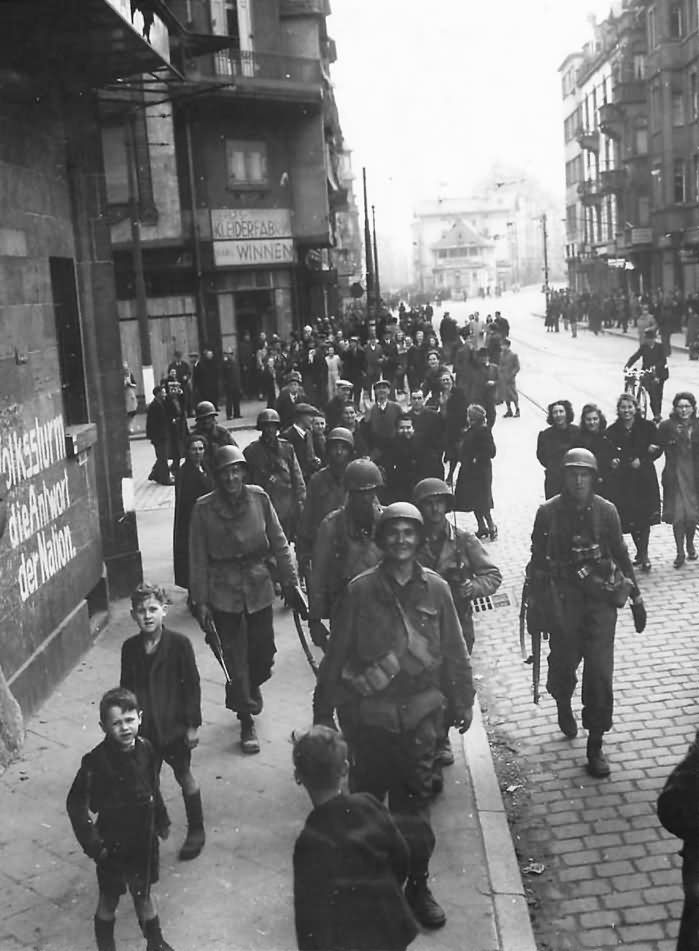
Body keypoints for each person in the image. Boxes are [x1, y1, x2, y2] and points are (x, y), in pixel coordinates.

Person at [313, 503, 475, 929]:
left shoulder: (436, 590)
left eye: (409, 532)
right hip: (369, 718)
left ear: (419, 539)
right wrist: (323, 710)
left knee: (415, 812)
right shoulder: (360, 590)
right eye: (393, 532)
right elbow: (337, 653)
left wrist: (463, 700)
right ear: (382, 539)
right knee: (365, 809)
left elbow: (455, 651)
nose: (401, 539)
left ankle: (417, 886)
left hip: (421, 716)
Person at [526, 449, 647, 778]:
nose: (579, 480)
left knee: (599, 673)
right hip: (562, 600)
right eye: (572, 474)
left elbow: (622, 556)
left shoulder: (606, 511)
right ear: (563, 477)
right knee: (563, 665)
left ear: (594, 478)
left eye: (585, 474)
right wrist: (534, 606)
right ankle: (563, 702)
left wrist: (636, 598)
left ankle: (595, 743)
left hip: (599, 601)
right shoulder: (548, 512)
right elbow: (537, 558)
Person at [188, 445, 303, 754]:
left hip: (257, 583)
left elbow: (279, 543)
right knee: (234, 658)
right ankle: (245, 718)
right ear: (217, 477)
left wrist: (291, 582)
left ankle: (251, 687)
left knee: (263, 652)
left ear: (244, 472)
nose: (231, 478)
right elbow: (197, 557)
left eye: (236, 470)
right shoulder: (203, 509)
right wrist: (200, 601)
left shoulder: (260, 498)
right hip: (222, 588)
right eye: (225, 472)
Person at [66, 687, 173, 951]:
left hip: (143, 840)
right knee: (109, 899)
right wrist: (94, 845)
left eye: (129, 720)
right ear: (103, 726)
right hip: (112, 845)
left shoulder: (147, 749)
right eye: (116, 723)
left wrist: (161, 817)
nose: (125, 728)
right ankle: (106, 947)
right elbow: (76, 804)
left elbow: (152, 786)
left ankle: (155, 943)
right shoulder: (96, 762)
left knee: (144, 893)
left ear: (140, 718)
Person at [292, 726, 418, 951]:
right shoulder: (369, 804)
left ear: (298, 777)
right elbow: (402, 856)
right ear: (345, 769)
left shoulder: (308, 842)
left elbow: (308, 913)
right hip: (390, 924)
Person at [414, 478, 501, 788]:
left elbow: (492, 575)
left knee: (452, 681)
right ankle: (436, 741)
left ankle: (444, 735)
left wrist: (470, 588)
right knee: (428, 682)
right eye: (428, 503)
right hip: (421, 627)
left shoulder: (463, 540)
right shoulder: (411, 540)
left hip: (458, 626)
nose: (435, 508)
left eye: (439, 502)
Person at [120, 584, 204, 863]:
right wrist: (126, 726)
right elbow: (126, 690)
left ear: (164, 611)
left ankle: (196, 829)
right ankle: (158, 821)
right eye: (141, 611)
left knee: (184, 775)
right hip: (145, 731)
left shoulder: (179, 645)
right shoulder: (130, 649)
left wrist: (192, 725)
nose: (148, 616)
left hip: (174, 727)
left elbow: (192, 686)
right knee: (147, 781)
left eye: (153, 609)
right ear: (133, 615)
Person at [307, 458, 384, 656]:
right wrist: (315, 618)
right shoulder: (331, 526)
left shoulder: (386, 521)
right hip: (345, 606)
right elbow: (318, 574)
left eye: (370, 492)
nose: (366, 499)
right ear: (349, 493)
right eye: (359, 493)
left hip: (383, 605)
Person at [606, 393, 661, 571]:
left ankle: (644, 554)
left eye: (630, 407)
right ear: (619, 410)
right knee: (631, 518)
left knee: (644, 517)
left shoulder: (647, 426)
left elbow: (657, 448)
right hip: (624, 481)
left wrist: (644, 459)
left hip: (644, 478)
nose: (627, 411)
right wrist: (613, 460)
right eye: (623, 407)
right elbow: (608, 451)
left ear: (636, 408)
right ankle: (639, 551)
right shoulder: (612, 431)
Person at [296, 427, 354, 580]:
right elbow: (307, 519)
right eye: (335, 448)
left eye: (343, 448)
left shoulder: (357, 476)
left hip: (353, 547)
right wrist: (303, 554)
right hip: (324, 546)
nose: (339, 452)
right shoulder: (317, 480)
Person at [244, 409, 306, 546]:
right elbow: (247, 481)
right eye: (266, 426)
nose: (269, 430)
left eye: (272, 426)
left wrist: (301, 500)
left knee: (286, 541)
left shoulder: (287, 448)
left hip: (287, 503)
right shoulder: (251, 452)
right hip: (263, 503)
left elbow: (297, 476)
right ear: (261, 428)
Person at [657, 392, 699, 568]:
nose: (683, 410)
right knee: (678, 516)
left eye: (687, 406)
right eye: (680, 406)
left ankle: (690, 543)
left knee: (692, 515)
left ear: (693, 408)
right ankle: (680, 551)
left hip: (694, 475)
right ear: (674, 408)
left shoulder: (698, 425)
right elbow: (656, 446)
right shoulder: (666, 426)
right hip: (674, 475)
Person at [173, 433, 213, 594]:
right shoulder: (184, 473)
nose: (197, 453)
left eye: (201, 449)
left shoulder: (207, 467)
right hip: (192, 522)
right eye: (194, 449)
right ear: (188, 452)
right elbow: (185, 501)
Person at [451, 403, 497, 540]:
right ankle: (481, 526)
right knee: (473, 500)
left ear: (473, 417)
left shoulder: (483, 430)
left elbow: (491, 451)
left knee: (482, 500)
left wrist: (476, 458)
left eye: (469, 415)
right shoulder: (470, 430)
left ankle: (491, 525)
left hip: (480, 472)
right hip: (469, 471)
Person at [536, 400, 580, 499]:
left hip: (574, 477)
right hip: (554, 479)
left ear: (567, 413)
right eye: (555, 412)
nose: (558, 415)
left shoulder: (577, 432)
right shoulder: (545, 435)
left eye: (561, 411)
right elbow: (541, 456)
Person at [625, 327, 669, 423]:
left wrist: (656, 371)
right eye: (647, 339)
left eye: (651, 339)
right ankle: (656, 414)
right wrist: (628, 365)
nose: (649, 341)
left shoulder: (660, 347)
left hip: (660, 373)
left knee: (658, 395)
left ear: (654, 338)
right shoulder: (644, 347)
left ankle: (657, 413)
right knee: (652, 393)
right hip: (647, 373)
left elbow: (663, 360)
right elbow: (636, 356)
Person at [362, 379, 402, 470]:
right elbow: (366, 431)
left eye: (384, 388)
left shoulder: (396, 407)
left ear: (389, 391)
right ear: (375, 392)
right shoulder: (371, 409)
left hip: (393, 448)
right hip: (376, 449)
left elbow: (401, 426)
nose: (381, 390)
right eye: (378, 388)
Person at [383, 414, 424, 505]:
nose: (405, 431)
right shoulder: (390, 446)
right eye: (401, 428)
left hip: (417, 488)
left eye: (408, 427)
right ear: (396, 429)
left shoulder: (422, 445)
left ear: (413, 429)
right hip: (397, 489)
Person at [577, 404, 614, 499]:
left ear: (600, 420)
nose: (592, 422)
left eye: (595, 419)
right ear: (584, 421)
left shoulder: (608, 437)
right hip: (588, 483)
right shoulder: (579, 440)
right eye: (588, 420)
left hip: (608, 482)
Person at [282, 403, 323, 484]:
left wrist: (315, 460)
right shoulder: (287, 436)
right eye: (310, 416)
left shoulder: (309, 433)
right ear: (301, 417)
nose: (313, 419)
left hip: (309, 479)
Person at [191, 401, 236, 472]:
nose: (206, 421)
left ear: (213, 418)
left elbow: (234, 452)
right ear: (199, 420)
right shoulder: (194, 437)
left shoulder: (223, 433)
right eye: (203, 419)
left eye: (209, 417)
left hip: (223, 469)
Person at [146, 386, 174, 486]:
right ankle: (165, 479)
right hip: (159, 437)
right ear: (158, 394)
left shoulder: (162, 403)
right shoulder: (154, 406)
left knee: (162, 457)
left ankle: (154, 474)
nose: (165, 394)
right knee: (163, 458)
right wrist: (155, 437)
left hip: (163, 435)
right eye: (163, 392)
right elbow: (151, 424)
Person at [468, 348, 498, 429]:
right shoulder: (475, 368)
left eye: (485, 357)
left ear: (488, 357)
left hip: (490, 397)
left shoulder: (494, 368)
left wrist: (494, 383)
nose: (483, 359)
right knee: (478, 416)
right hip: (478, 397)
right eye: (481, 357)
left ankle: (487, 430)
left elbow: (501, 380)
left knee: (492, 416)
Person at [496, 339, 520, 418]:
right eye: (501, 345)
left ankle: (517, 410)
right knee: (505, 395)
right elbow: (500, 364)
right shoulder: (501, 354)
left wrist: (512, 374)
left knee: (513, 395)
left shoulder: (513, 355)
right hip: (502, 378)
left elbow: (517, 367)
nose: (502, 347)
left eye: (504, 345)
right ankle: (509, 410)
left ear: (508, 346)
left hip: (510, 378)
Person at [168, 350, 193, 417]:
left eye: (180, 357)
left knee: (186, 398)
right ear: (175, 357)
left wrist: (186, 377)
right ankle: (179, 413)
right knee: (177, 399)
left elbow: (189, 373)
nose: (179, 358)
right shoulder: (172, 365)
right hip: (176, 385)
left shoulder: (185, 364)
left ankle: (189, 412)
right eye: (177, 357)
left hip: (184, 384)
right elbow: (169, 374)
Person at [221, 347, 242, 420]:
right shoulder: (225, 363)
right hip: (229, 384)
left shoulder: (235, 362)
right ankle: (229, 415)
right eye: (228, 354)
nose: (230, 355)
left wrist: (239, 384)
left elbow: (237, 374)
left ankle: (237, 413)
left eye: (231, 354)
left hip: (236, 384)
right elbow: (223, 375)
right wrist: (225, 383)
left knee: (236, 399)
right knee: (229, 400)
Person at [123, 362, 138, 432]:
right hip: (124, 395)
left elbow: (135, 385)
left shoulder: (130, 375)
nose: (126, 370)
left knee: (133, 412)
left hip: (130, 394)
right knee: (126, 412)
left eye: (126, 368)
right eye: (124, 369)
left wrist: (130, 384)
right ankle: (126, 427)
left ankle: (129, 426)